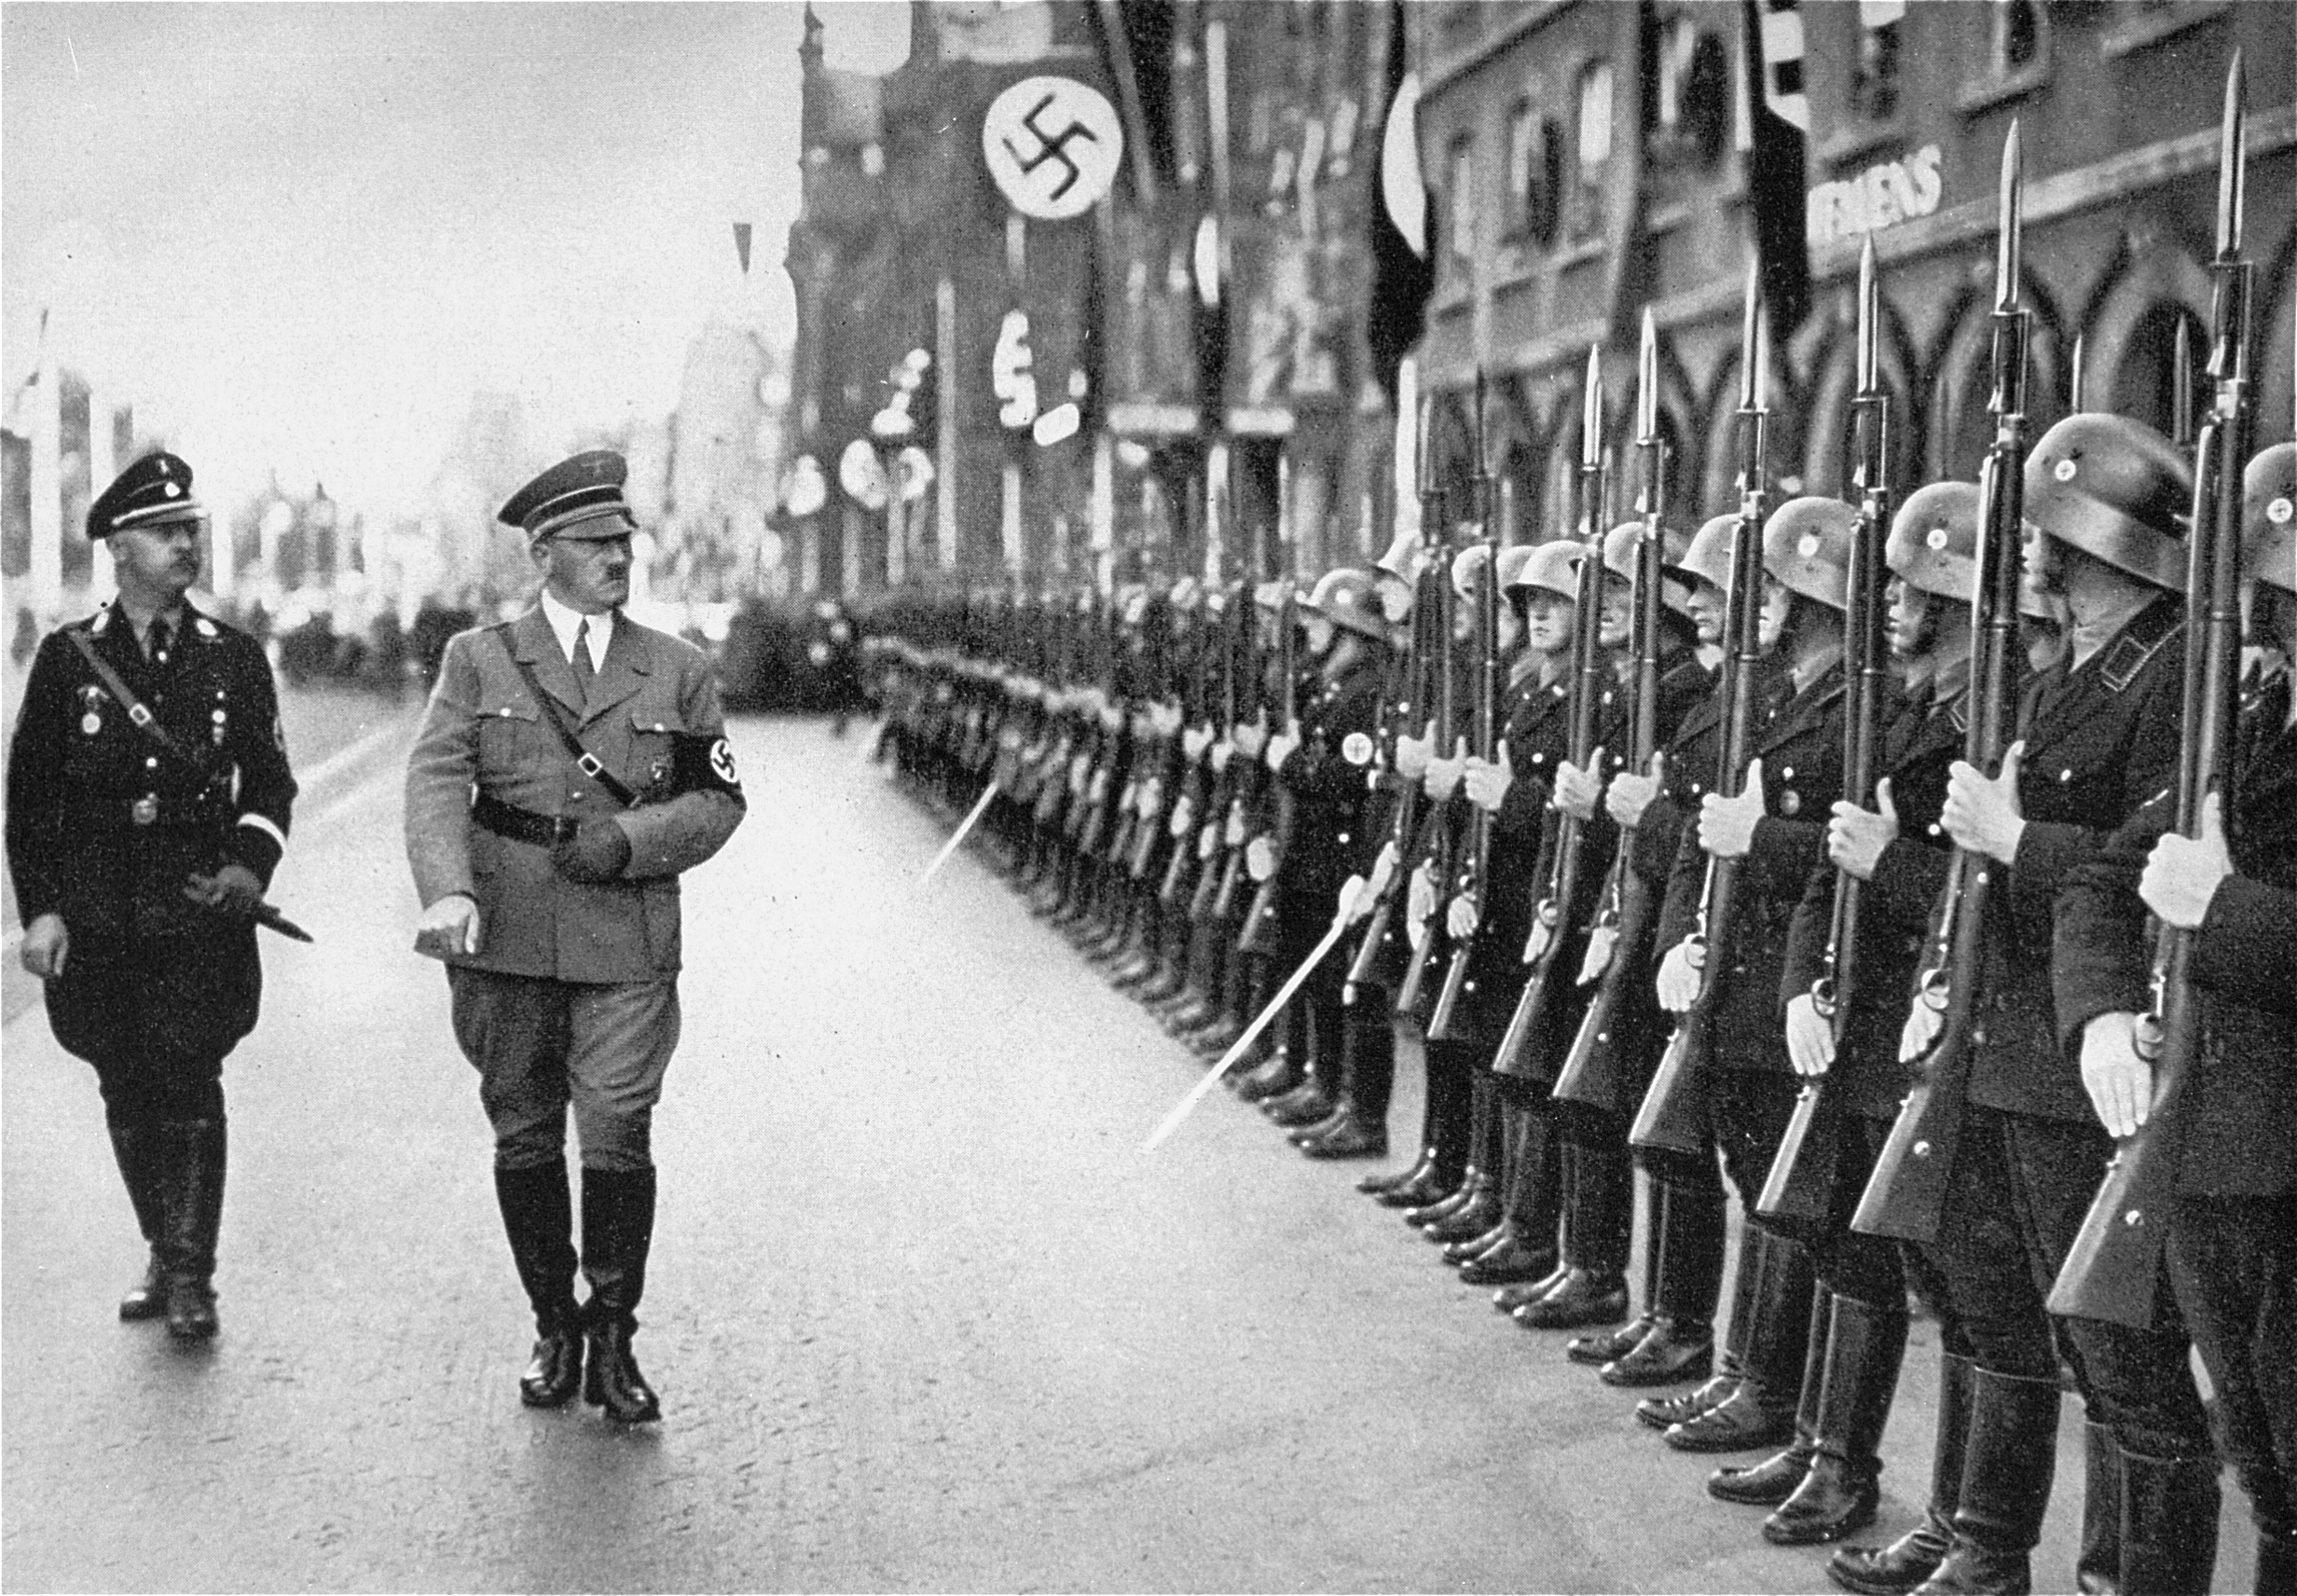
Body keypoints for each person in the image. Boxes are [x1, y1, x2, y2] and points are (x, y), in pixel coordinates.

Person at [403, 450, 745, 1424]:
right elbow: (434, 780)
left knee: (619, 1126)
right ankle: (555, 1322)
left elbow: (718, 799)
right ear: (544, 551)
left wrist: (632, 839)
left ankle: (614, 1332)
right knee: (521, 1131)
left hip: (627, 932)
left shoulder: (677, 668)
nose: (617, 556)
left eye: (623, 540)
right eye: (595, 543)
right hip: (505, 933)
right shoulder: (478, 658)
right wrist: (446, 889)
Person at [2049, 439, 2297, 1596]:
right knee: (2265, 1469)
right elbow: (2108, 872)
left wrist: (2226, 908)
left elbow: (2204, 893)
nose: (2256, 622)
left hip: (2283, 1161)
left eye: (2271, 597)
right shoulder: (2249, 723)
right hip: (2206, 1137)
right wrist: (2100, 1015)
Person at [6, 452, 297, 1342]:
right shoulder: (67, 662)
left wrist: (251, 867)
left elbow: (271, 787)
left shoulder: (234, 660)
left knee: (191, 1080)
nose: (186, 545)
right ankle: (163, 1248)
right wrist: (42, 910)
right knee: (124, 1087)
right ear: (118, 548)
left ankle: (191, 1273)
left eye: (191, 530)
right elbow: (31, 801)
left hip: (197, 912)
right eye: (166, 532)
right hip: (98, 919)